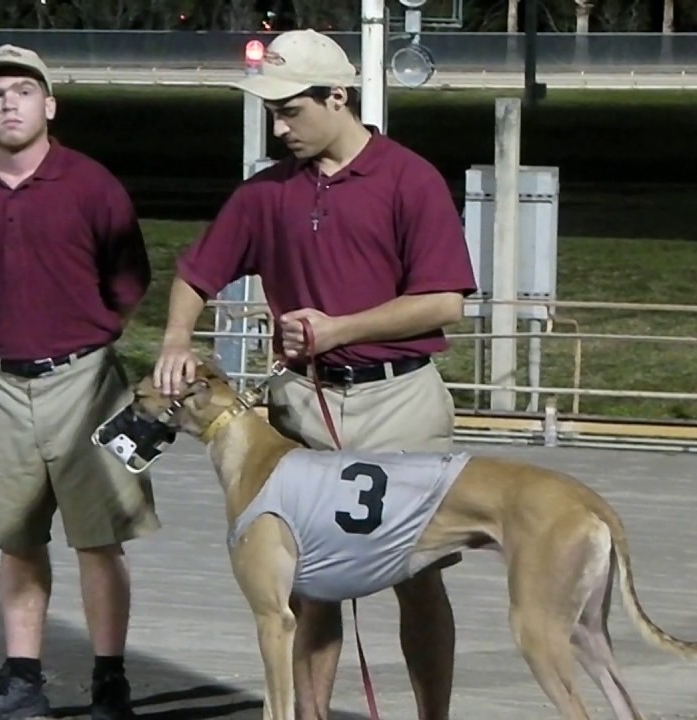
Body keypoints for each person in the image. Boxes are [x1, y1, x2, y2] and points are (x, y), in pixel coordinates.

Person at [151, 29, 477, 720]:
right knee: (311, 583)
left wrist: (340, 328)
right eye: (272, 110)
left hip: (401, 401)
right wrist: (177, 337)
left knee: (416, 579)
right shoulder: (265, 194)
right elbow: (195, 275)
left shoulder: (408, 178)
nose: (279, 126)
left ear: (339, 96)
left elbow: (446, 301)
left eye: (291, 109)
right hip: (304, 403)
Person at [0, 44, 160, 720]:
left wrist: (82, 338)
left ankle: (109, 683)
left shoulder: (93, 185)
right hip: (0, 382)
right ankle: (23, 679)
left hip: (87, 381)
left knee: (99, 540)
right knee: (17, 539)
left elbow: (129, 280)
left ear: (49, 105)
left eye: (24, 91)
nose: (10, 103)